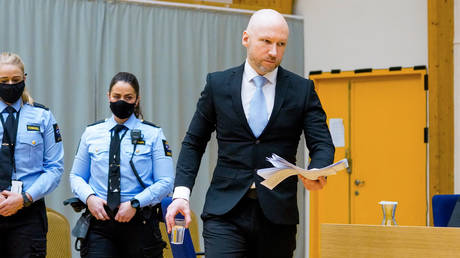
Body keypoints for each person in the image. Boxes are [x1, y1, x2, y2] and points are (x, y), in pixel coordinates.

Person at [166, 9, 335, 258]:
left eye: (281, 44)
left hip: (278, 216)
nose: (274, 52)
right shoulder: (218, 85)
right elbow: (194, 142)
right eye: (266, 41)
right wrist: (181, 194)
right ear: (246, 38)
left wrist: (317, 169)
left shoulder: (302, 90)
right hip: (225, 212)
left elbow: (322, 143)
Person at [70, 72, 174, 258]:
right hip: (100, 223)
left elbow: (166, 181)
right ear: (108, 96)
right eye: (116, 96)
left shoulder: (153, 134)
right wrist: (89, 198)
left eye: (128, 97)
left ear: (137, 99)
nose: (121, 101)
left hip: (140, 222)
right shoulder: (92, 133)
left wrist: (135, 203)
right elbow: (76, 176)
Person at [0, 52, 64, 257]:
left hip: (28, 215)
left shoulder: (42, 116)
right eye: (4, 81)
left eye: (15, 80)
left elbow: (54, 168)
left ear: (24, 79)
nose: (10, 84)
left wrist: (25, 198)